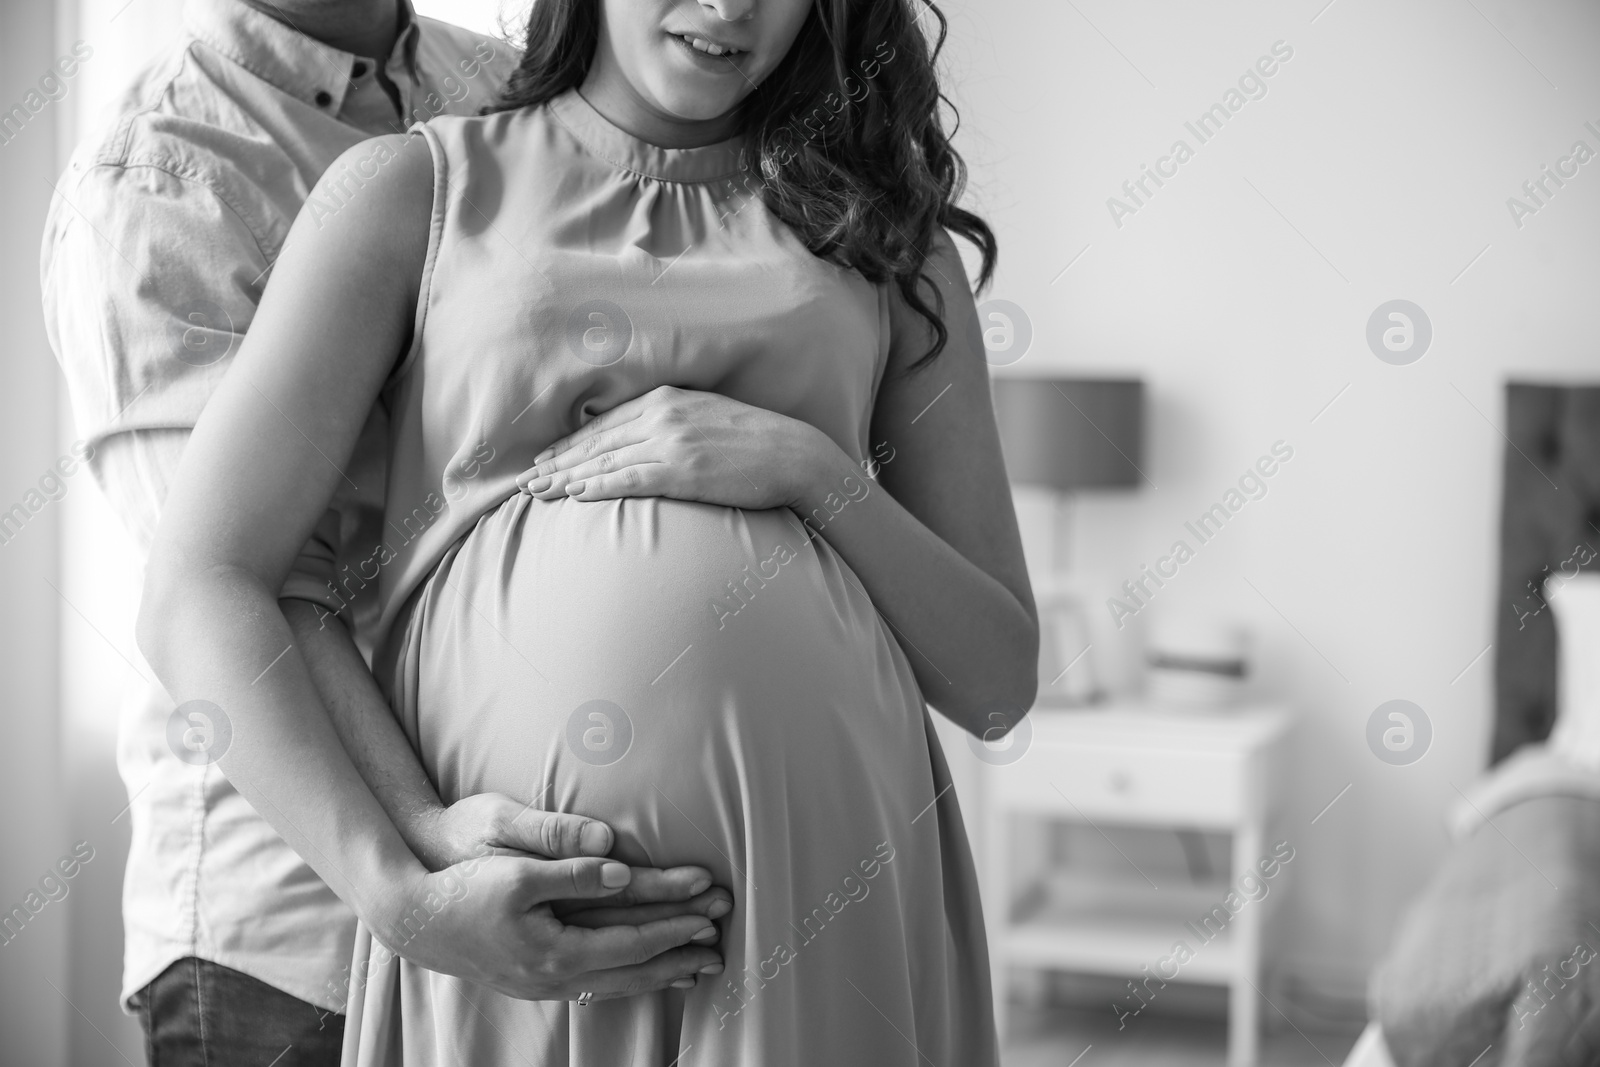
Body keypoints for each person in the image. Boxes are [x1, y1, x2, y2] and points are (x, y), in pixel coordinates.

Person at [138, 0, 1040, 1061]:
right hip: (517, 927)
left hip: (828, 899)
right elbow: (202, 583)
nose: (728, 6)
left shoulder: (888, 245)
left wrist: (813, 472)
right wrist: (400, 885)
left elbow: (996, 681)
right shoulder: (412, 192)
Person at [41, 2, 733, 1062]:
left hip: (538, 903)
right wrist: (412, 869)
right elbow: (238, 585)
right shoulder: (160, 179)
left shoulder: (514, 82)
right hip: (300, 939)